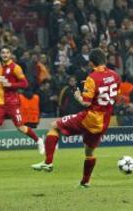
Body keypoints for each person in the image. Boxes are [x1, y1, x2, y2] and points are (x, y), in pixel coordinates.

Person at [31, 48, 121, 187]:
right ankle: (85, 182)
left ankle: (48, 162)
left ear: (91, 63)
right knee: (89, 151)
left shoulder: (92, 77)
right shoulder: (115, 75)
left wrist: (78, 95)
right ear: (104, 59)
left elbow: (86, 102)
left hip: (90, 117)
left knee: (54, 126)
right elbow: (114, 94)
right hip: (104, 121)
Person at [0, 46, 44, 161]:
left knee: (20, 127)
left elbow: (24, 84)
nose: (5, 54)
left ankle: (39, 140)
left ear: (10, 54)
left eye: (7, 53)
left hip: (12, 102)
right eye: (3, 52)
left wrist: (11, 85)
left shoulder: (16, 68)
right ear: (0, 55)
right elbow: (0, 82)